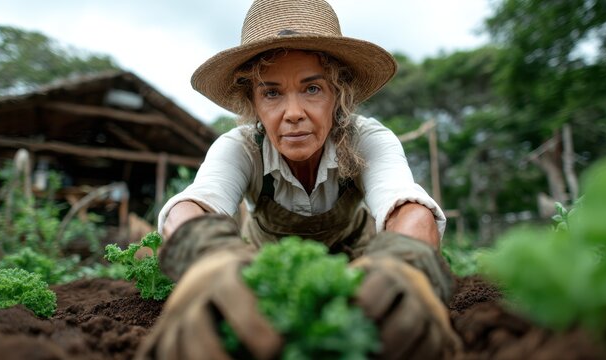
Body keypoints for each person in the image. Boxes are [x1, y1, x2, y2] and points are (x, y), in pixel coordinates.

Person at [137, 0, 462, 359]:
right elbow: (191, 206)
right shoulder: (241, 148)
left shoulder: (368, 139)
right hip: (258, 298)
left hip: (362, 291)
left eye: (312, 89)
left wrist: (403, 266)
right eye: (272, 93)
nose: (293, 114)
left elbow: (410, 211)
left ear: (338, 93)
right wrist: (207, 258)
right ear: (254, 103)